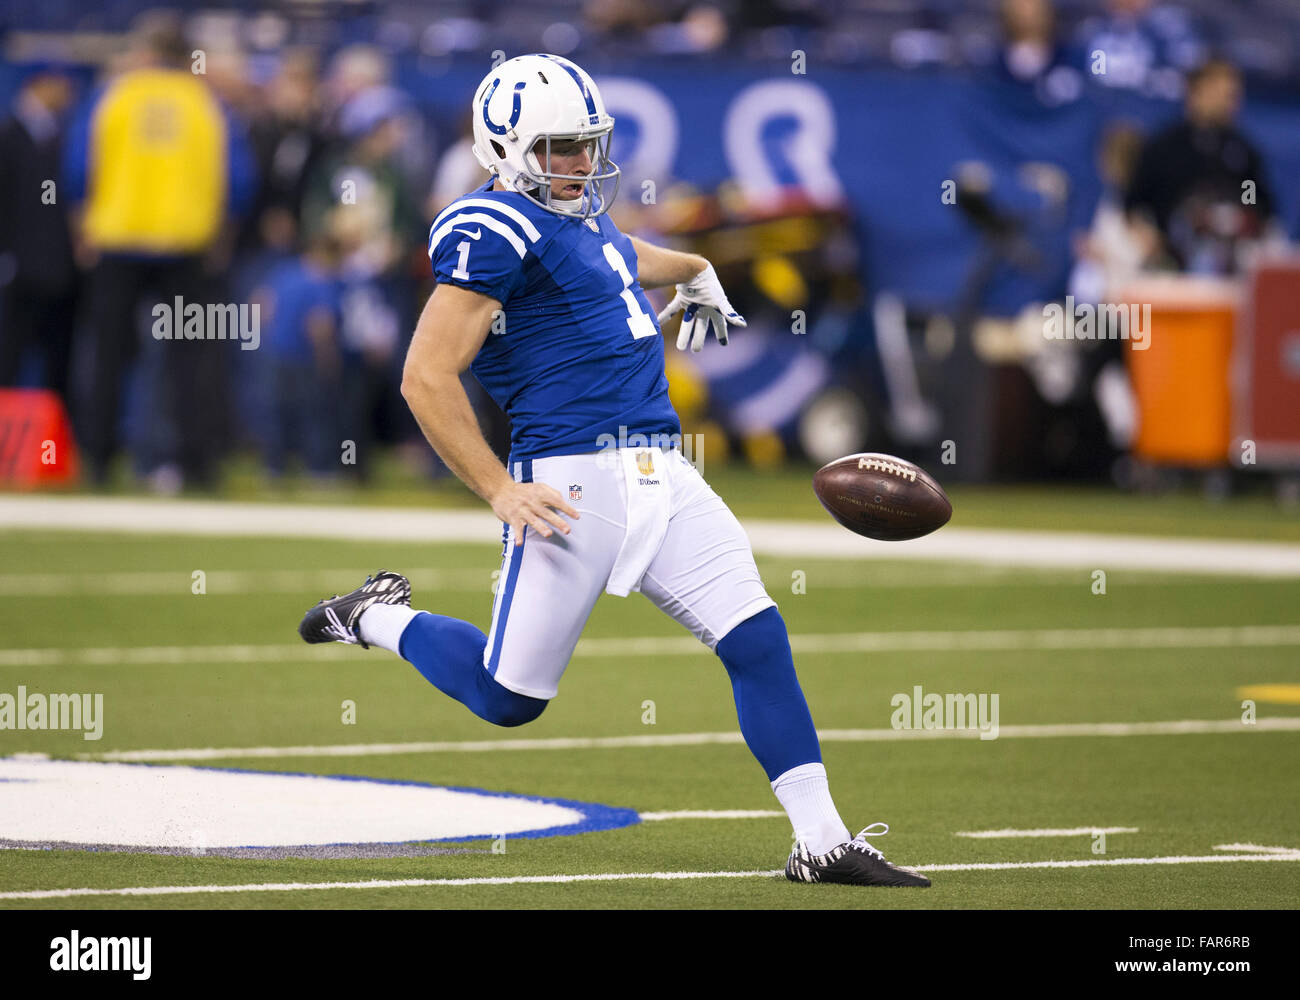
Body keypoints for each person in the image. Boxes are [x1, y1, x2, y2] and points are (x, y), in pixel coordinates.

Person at [298, 54, 928, 888]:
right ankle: (376, 616)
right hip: (571, 482)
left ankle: (821, 842)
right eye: (560, 148)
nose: (581, 164)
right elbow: (425, 375)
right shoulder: (490, 229)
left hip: (663, 471)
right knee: (508, 698)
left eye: (588, 145)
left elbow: (617, 253)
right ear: (506, 145)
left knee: (757, 638)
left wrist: (697, 268)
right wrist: (497, 487)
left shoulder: (576, 217)